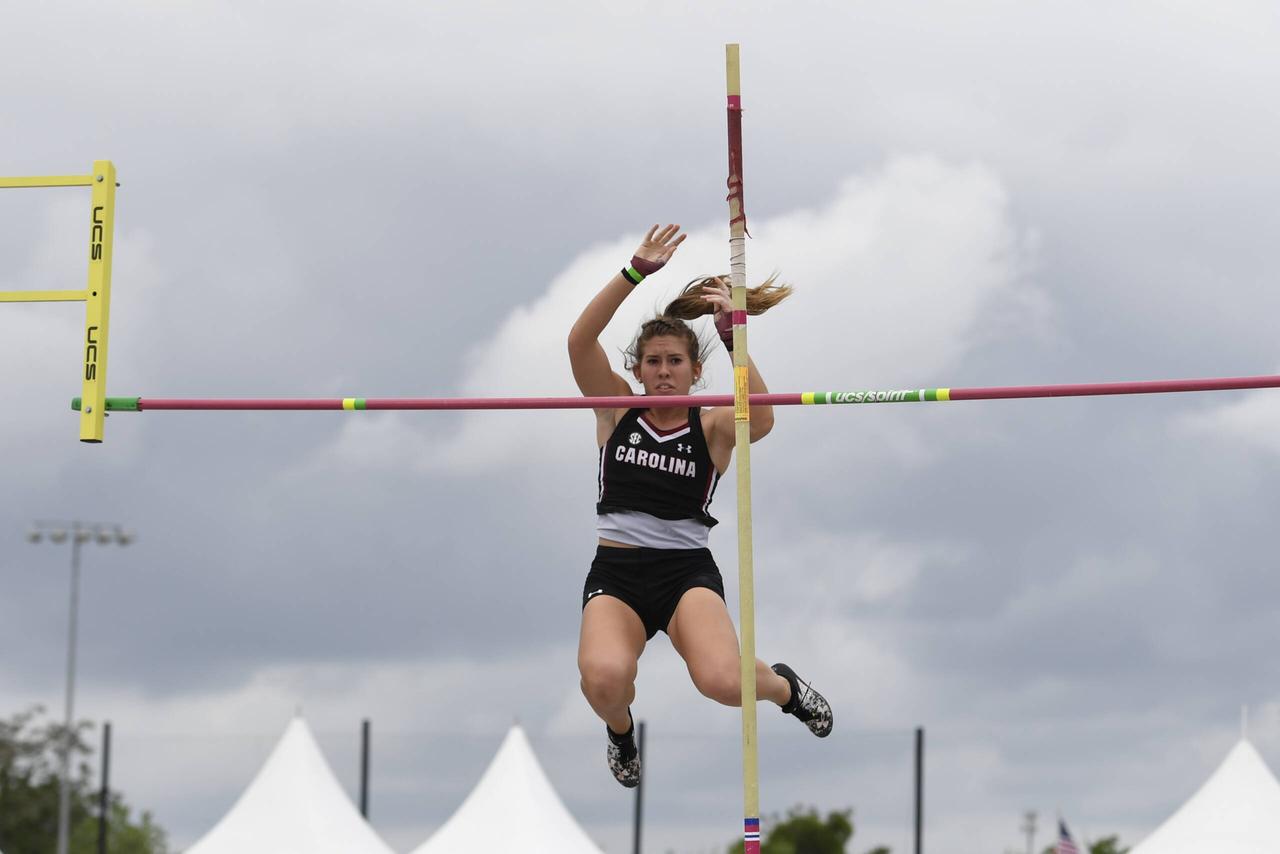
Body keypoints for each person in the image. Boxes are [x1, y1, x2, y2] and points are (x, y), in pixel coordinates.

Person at [567, 223, 832, 788]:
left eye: (675, 362)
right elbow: (578, 343)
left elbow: (760, 419)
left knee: (722, 682)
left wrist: (736, 339)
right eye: (654, 362)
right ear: (637, 371)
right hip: (617, 571)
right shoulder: (616, 410)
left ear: (696, 372)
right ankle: (620, 733)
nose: (664, 371)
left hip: (684, 572)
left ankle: (784, 687)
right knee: (604, 678)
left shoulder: (710, 423)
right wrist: (634, 272)